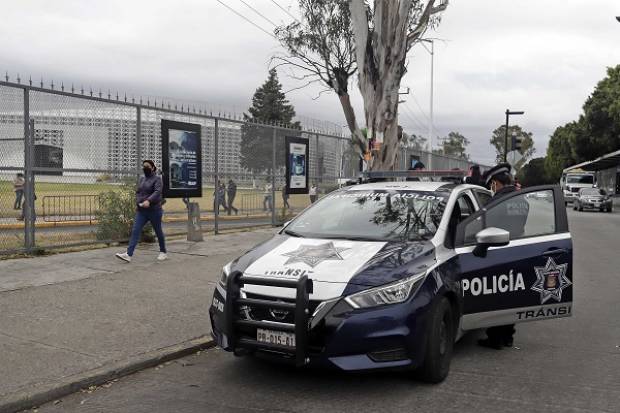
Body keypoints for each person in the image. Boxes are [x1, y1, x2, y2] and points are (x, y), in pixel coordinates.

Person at [476, 162, 527, 350]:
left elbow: (485, 228)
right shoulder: (522, 200)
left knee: (497, 297)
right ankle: (508, 337)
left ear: (496, 182)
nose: (493, 188)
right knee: (511, 296)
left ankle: (495, 339)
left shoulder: (497, 202)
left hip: (498, 253)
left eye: (493, 184)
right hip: (517, 251)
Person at [115, 160, 167, 263]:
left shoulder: (157, 179)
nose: (145, 168)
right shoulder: (142, 179)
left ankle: (163, 252)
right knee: (135, 230)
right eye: (143, 166)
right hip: (142, 211)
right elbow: (138, 192)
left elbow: (157, 192)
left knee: (158, 231)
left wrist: (149, 200)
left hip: (154, 210)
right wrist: (138, 202)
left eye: (147, 166)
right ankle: (128, 255)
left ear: (153, 168)